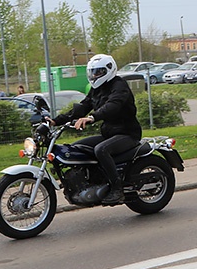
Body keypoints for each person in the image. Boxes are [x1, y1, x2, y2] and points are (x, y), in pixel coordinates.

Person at [50, 54, 142, 205]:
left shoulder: (119, 86)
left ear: (109, 70)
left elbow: (113, 105)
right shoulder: (96, 90)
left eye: (98, 72)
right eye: (92, 72)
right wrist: (55, 121)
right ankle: (93, 181)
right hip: (109, 133)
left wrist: (92, 118)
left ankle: (117, 189)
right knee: (77, 148)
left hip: (127, 133)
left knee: (101, 150)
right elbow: (83, 106)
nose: (94, 76)